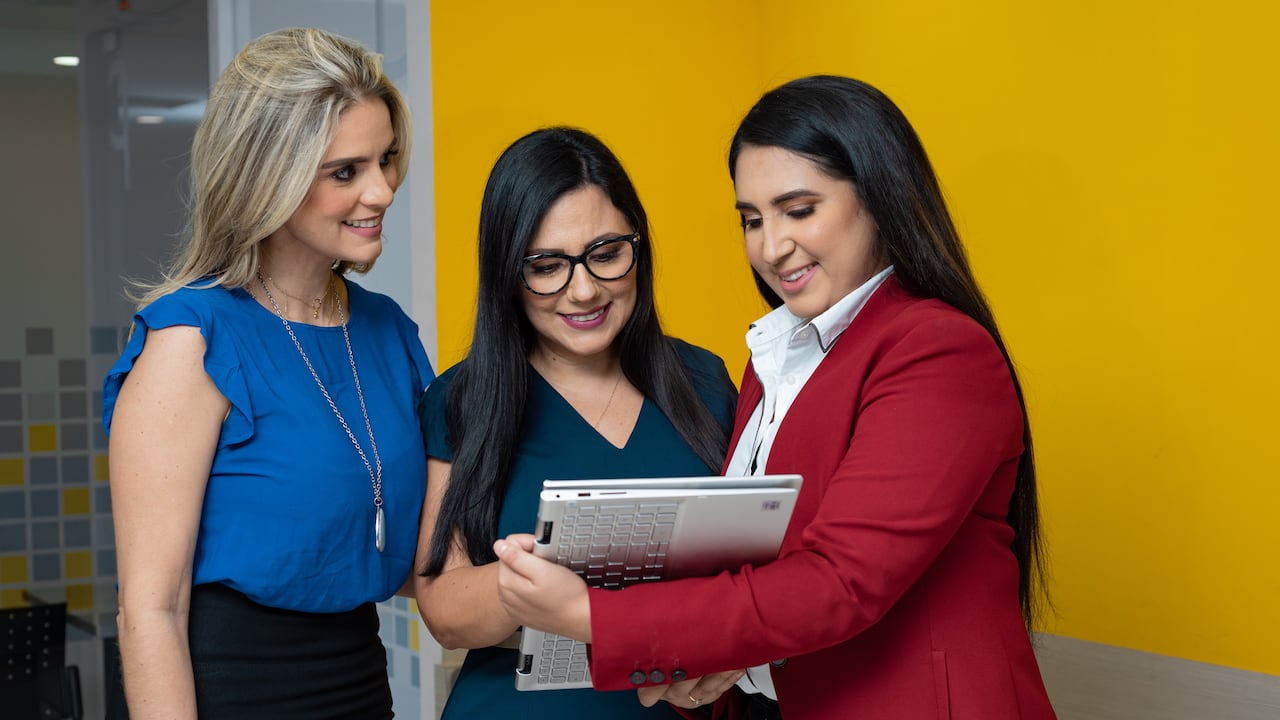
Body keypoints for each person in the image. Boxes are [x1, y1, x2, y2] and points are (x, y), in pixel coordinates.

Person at [491, 76, 1058, 719]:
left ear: (878, 197)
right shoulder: (775, 360)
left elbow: (840, 581)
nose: (770, 246)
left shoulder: (937, 351)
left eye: (800, 210)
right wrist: (707, 668)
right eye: (752, 219)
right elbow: (766, 575)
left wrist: (590, 614)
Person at [102, 28, 433, 719]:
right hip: (232, 695)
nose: (382, 191)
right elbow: (150, 611)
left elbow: (412, 556)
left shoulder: (388, 333)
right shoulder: (192, 340)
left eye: (387, 159)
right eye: (346, 172)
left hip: (363, 691)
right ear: (268, 177)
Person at [412, 127, 742, 719]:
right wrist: (540, 574)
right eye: (546, 266)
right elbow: (443, 609)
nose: (584, 290)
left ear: (637, 245)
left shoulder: (706, 380)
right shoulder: (463, 398)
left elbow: (753, 576)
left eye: (607, 254)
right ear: (507, 274)